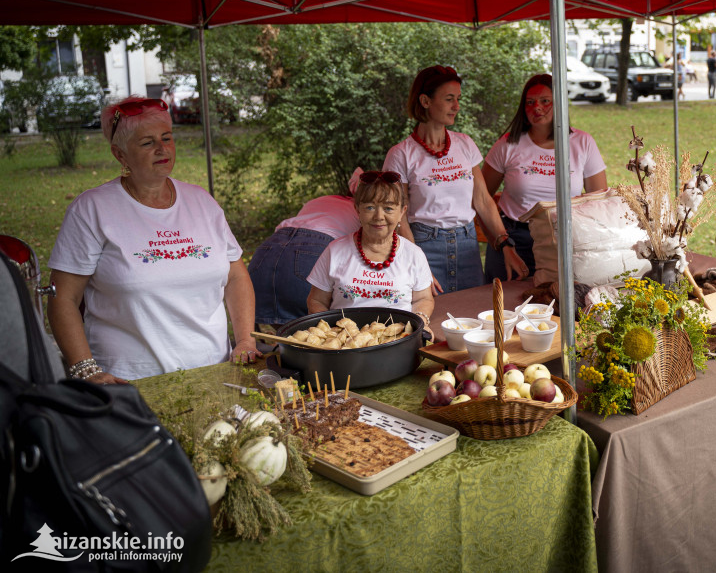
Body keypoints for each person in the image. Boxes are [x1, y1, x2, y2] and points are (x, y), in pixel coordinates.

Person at [47, 97, 259, 383]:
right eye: (147, 142)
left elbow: (235, 276)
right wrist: (86, 370)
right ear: (120, 154)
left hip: (215, 372)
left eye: (167, 138)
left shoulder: (202, 202)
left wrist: (245, 340)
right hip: (130, 382)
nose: (162, 149)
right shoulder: (92, 209)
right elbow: (63, 297)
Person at [384, 65, 527, 294]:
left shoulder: (464, 144)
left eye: (458, 99)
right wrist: (415, 264)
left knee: (473, 318)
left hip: (467, 248)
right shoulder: (400, 154)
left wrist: (505, 244)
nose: (457, 107)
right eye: (449, 99)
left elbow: (483, 201)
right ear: (425, 101)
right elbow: (398, 216)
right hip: (424, 248)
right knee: (432, 319)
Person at [482, 74, 608, 282]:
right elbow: (480, 197)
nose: (536, 107)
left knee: (559, 308)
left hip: (566, 239)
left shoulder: (582, 142)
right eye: (530, 102)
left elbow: (598, 201)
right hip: (514, 240)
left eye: (545, 101)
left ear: (559, 103)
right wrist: (501, 242)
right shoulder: (508, 144)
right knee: (504, 310)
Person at [307, 171, 434, 331]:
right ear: (357, 209)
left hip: (397, 339)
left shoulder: (414, 254)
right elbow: (316, 301)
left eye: (388, 208)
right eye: (370, 207)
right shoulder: (335, 251)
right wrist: (330, 331)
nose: (379, 216)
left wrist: (420, 321)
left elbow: (423, 299)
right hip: (346, 343)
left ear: (402, 211)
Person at [248, 189, 360, 328]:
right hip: (312, 250)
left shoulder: (320, 200)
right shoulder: (360, 209)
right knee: (318, 333)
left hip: (268, 250)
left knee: (287, 332)